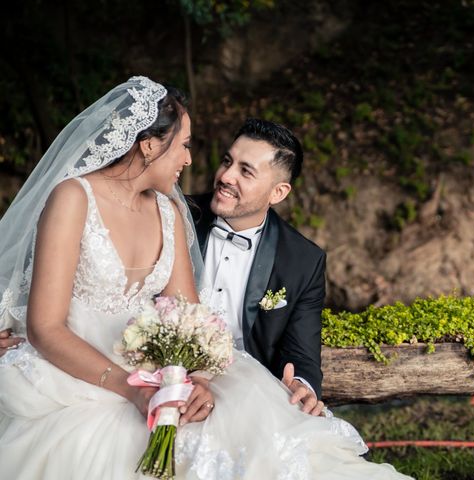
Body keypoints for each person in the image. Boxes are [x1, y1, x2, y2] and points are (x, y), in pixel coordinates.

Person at [0, 76, 412, 479]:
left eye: (245, 170)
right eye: (186, 146)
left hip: (164, 366)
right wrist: (136, 389)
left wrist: (195, 379)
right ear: (149, 145)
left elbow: (193, 318)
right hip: (87, 367)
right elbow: (43, 318)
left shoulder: (171, 212)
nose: (194, 162)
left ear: (278, 191)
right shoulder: (76, 198)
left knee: (262, 447)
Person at [190, 118, 325, 415]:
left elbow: (301, 353)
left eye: (245, 171)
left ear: (277, 193)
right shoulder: (179, 216)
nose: (225, 176)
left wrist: (301, 384)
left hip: (247, 394)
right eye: (227, 161)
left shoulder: (303, 261)